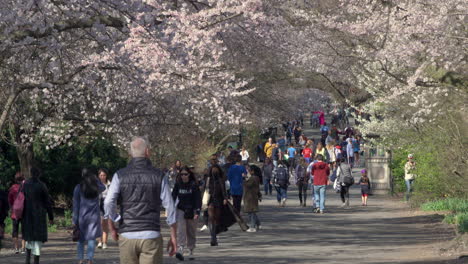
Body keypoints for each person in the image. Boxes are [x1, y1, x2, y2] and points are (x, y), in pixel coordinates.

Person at [104, 137, 177, 264]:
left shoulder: (119, 175)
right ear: (148, 152)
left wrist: (114, 221)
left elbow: (108, 201)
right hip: (151, 233)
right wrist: (173, 235)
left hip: (127, 233)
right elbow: (169, 206)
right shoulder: (159, 175)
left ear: (130, 154)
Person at [73, 168, 106, 264]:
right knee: (91, 238)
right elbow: (103, 187)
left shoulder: (78, 187)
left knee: (81, 239)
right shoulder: (96, 187)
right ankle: (90, 259)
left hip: (82, 217)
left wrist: (75, 220)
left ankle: (80, 259)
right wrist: (96, 179)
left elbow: (76, 205)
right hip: (94, 217)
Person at [22, 167, 54, 264]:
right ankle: (36, 262)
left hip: (27, 216)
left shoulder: (25, 185)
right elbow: (48, 202)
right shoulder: (42, 185)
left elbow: (20, 199)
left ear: (30, 173)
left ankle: (27, 261)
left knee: (28, 239)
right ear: (39, 174)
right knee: (37, 242)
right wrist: (51, 217)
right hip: (39, 216)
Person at [172, 166, 201, 261]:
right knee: (181, 229)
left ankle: (191, 250)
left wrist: (197, 211)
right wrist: (170, 208)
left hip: (192, 210)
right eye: (182, 174)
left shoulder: (193, 185)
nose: (183, 176)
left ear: (189, 175)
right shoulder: (178, 184)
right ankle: (181, 248)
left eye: (185, 174)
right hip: (181, 209)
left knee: (191, 231)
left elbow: (198, 199)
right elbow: (173, 196)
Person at [204, 165, 228, 246]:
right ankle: (213, 238)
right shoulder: (208, 180)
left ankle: (215, 235)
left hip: (219, 200)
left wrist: (225, 198)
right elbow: (204, 189)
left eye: (216, 170)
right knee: (211, 218)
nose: (214, 172)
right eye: (213, 170)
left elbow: (223, 190)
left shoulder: (221, 180)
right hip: (210, 200)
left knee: (217, 219)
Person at [8, 172, 26, 254]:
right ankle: (23, 248)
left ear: (15, 179)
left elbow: (10, 200)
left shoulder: (12, 188)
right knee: (24, 230)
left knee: (15, 230)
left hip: (15, 213)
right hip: (24, 212)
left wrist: (12, 208)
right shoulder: (26, 187)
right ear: (23, 179)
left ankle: (16, 248)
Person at [243, 165, 262, 232]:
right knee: (251, 212)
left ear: (252, 171)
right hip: (252, 196)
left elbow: (248, 185)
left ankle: (252, 227)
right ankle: (258, 223)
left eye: (249, 170)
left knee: (251, 212)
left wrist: (244, 179)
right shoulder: (255, 178)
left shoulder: (253, 178)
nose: (248, 171)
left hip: (251, 197)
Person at [97, 168, 111, 250]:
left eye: (104, 175)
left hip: (107, 205)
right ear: (98, 176)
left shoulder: (110, 184)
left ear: (106, 176)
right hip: (98, 205)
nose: (102, 177)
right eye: (101, 175)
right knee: (100, 223)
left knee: (105, 224)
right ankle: (99, 241)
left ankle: (105, 242)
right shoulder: (96, 184)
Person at [0, 178, 9, 250]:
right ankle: (2, 234)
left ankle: (1, 234)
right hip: (2, 211)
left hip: (2, 210)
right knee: (2, 222)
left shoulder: (3, 192)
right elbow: (7, 202)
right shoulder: (3, 192)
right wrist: (7, 210)